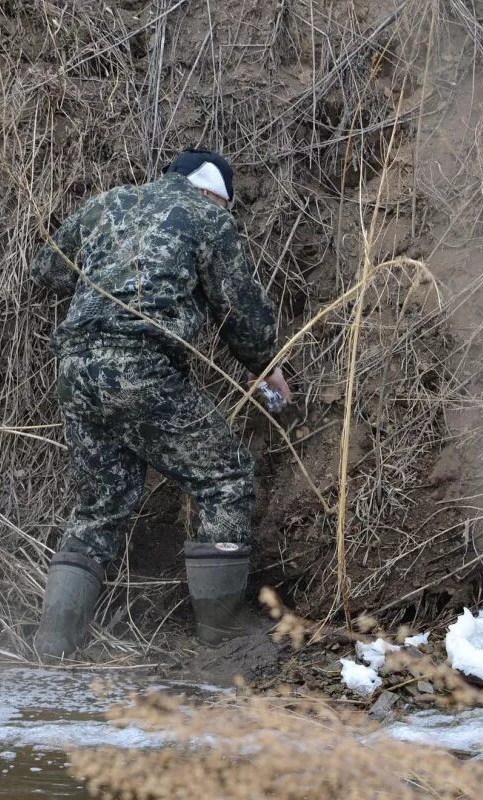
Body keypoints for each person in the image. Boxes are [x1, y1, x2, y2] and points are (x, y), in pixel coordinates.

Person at [30, 150, 291, 660]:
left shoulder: (108, 203)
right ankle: (221, 642)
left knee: (99, 508)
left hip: (77, 372)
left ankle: (52, 647)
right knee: (225, 478)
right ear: (216, 192)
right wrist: (265, 363)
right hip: (143, 367)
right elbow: (238, 307)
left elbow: (49, 270)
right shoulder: (209, 218)